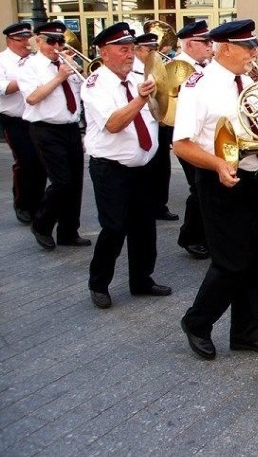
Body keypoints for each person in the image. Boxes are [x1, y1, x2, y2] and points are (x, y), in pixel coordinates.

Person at [174, 19, 258, 360]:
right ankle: (197, 322)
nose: (253, 54)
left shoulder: (248, 81)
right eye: (248, 48)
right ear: (225, 48)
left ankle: (247, 331)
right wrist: (219, 164)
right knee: (231, 263)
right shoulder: (199, 85)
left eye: (254, 48)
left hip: (251, 177)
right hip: (218, 180)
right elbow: (181, 144)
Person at [81, 23, 172, 309]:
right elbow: (114, 123)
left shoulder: (137, 77)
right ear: (104, 52)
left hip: (143, 165)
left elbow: (161, 113)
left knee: (145, 227)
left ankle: (141, 280)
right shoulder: (95, 84)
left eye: (131, 48)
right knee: (114, 227)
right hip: (112, 169)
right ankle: (99, 283)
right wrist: (141, 98)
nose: (129, 54)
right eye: (122, 49)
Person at [17, 21, 91, 250]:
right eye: (51, 41)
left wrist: (80, 71)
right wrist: (59, 77)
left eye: (60, 41)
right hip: (45, 128)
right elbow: (32, 98)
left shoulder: (66, 63)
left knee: (75, 182)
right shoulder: (29, 66)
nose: (57, 46)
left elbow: (85, 90)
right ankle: (41, 224)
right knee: (61, 181)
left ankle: (69, 232)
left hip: (70, 127)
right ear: (38, 40)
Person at [173, 20, 213, 259]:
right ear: (190, 44)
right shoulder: (178, 68)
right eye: (205, 42)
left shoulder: (203, 67)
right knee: (198, 186)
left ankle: (201, 233)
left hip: (202, 134)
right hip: (187, 135)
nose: (211, 46)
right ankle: (191, 236)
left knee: (202, 186)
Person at [0, 22, 46, 225]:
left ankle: (37, 203)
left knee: (41, 162)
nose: (26, 43)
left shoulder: (35, 61)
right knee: (26, 162)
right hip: (14, 119)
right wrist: (28, 78)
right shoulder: (1, 61)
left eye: (28, 39)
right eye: (21, 40)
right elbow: (5, 89)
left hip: (38, 117)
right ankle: (22, 204)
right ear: (9, 41)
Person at [131, 32, 179, 222]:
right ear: (138, 51)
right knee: (145, 167)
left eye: (155, 50)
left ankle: (160, 205)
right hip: (140, 124)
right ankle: (145, 204)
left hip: (158, 123)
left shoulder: (159, 68)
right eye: (150, 50)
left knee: (162, 167)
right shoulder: (133, 71)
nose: (154, 54)